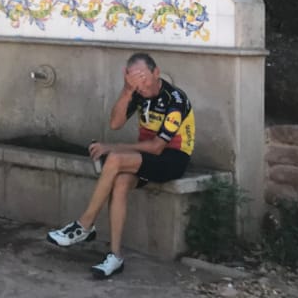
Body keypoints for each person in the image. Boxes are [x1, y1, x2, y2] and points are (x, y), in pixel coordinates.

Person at [46, 52, 195, 278]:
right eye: (134, 79)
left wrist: (113, 148)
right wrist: (127, 92)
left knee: (114, 159)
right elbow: (115, 123)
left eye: (144, 77)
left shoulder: (175, 99)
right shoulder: (137, 92)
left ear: (156, 72)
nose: (141, 84)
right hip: (146, 157)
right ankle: (115, 256)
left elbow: (157, 147)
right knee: (120, 181)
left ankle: (84, 225)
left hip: (172, 158)